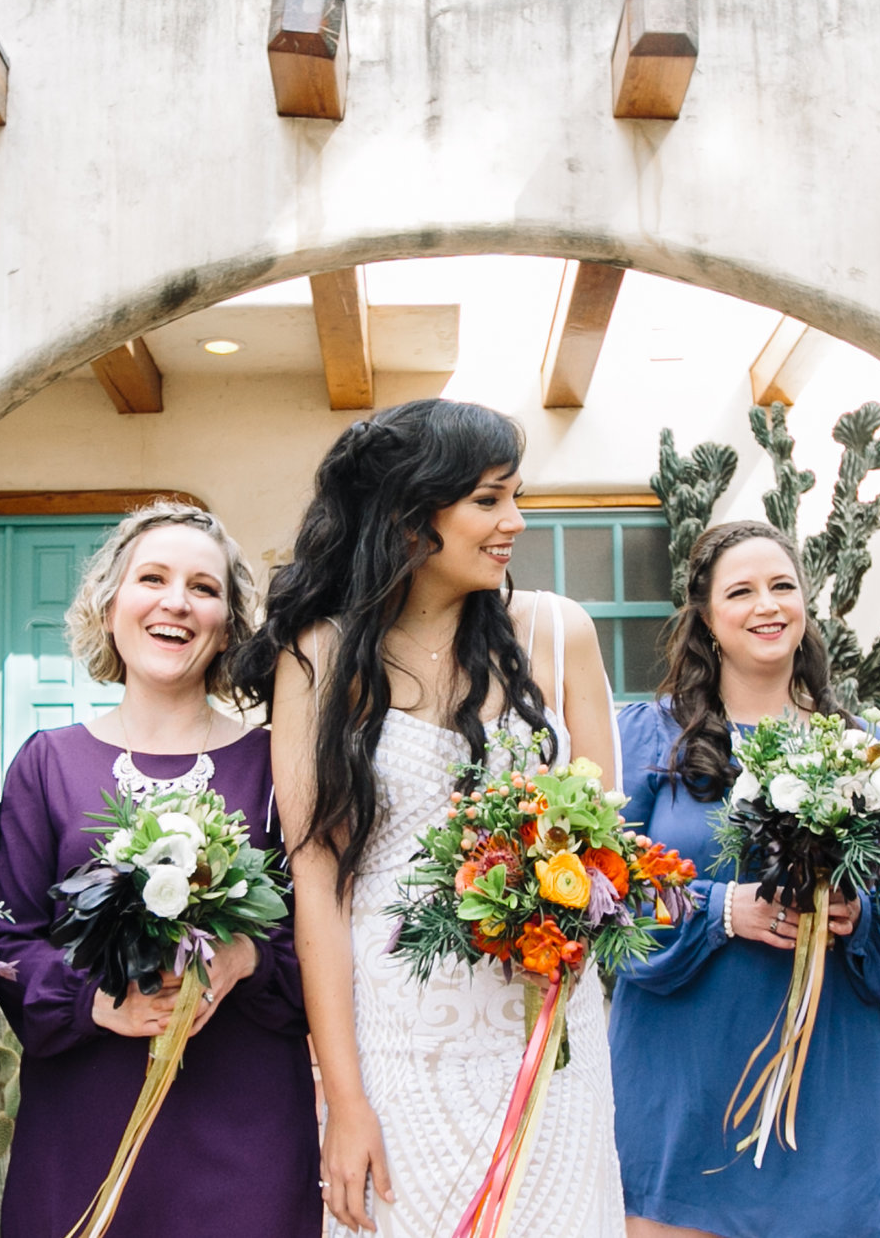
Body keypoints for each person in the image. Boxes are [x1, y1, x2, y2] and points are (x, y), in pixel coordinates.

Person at [241, 398, 625, 1237]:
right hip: (397, 1044)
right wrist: (343, 1098)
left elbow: (609, 846)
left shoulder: (561, 634)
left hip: (547, 1028)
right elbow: (318, 887)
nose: (514, 521)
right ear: (413, 514)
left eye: (515, 496)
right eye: (489, 500)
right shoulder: (318, 656)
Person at [0, 502, 317, 1238]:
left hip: (245, 1128)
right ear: (109, 606)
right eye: (153, 578)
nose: (176, 601)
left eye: (204, 587)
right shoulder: (49, 763)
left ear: (229, 624)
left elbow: (326, 933)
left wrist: (247, 956)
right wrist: (97, 1002)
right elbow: (7, 942)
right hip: (84, 1128)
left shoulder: (276, 760)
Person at [607, 519, 880, 1238]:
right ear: (705, 616)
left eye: (783, 586)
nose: (767, 605)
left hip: (829, 1077)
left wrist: (860, 910)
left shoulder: (869, 748)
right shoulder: (644, 737)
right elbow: (604, 894)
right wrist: (724, 908)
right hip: (680, 1075)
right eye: (742, 591)